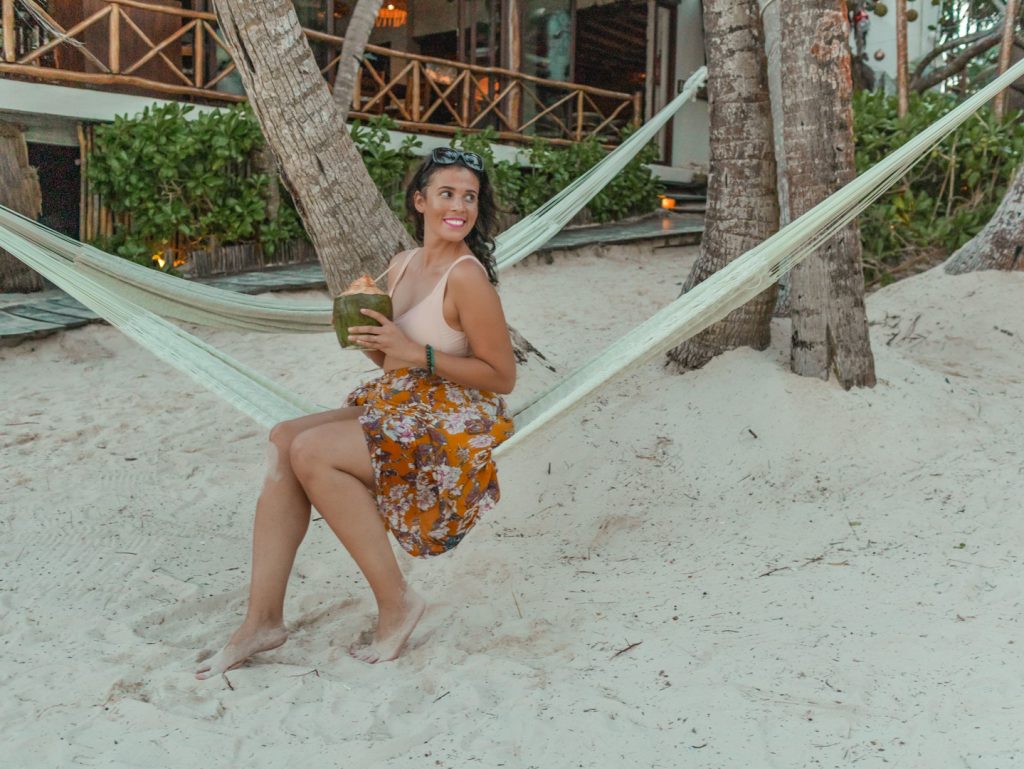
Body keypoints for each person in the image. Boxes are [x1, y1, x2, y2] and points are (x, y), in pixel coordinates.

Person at [195, 147, 516, 679]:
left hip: (456, 417)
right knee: (283, 438)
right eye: (447, 194)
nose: (459, 206)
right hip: (403, 401)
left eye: (469, 197)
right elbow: (388, 358)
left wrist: (418, 354)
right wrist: (364, 333)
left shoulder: (467, 278)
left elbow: (502, 376)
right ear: (420, 201)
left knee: (314, 452)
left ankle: (397, 602)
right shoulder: (401, 265)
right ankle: (262, 620)